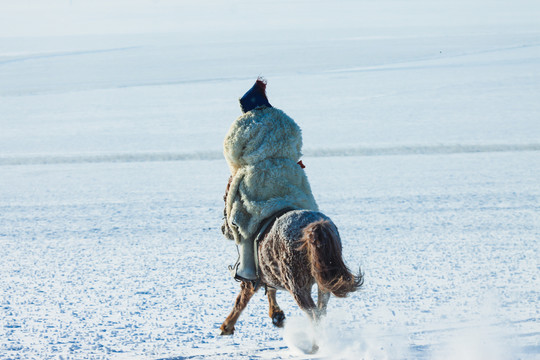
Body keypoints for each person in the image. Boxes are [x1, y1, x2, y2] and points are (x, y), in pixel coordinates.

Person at [222, 78, 318, 281]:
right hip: (291, 175)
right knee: (308, 211)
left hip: (259, 180)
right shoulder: (286, 120)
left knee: (244, 219)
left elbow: (232, 153)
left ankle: (247, 267)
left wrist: (239, 171)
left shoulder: (244, 123)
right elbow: (297, 146)